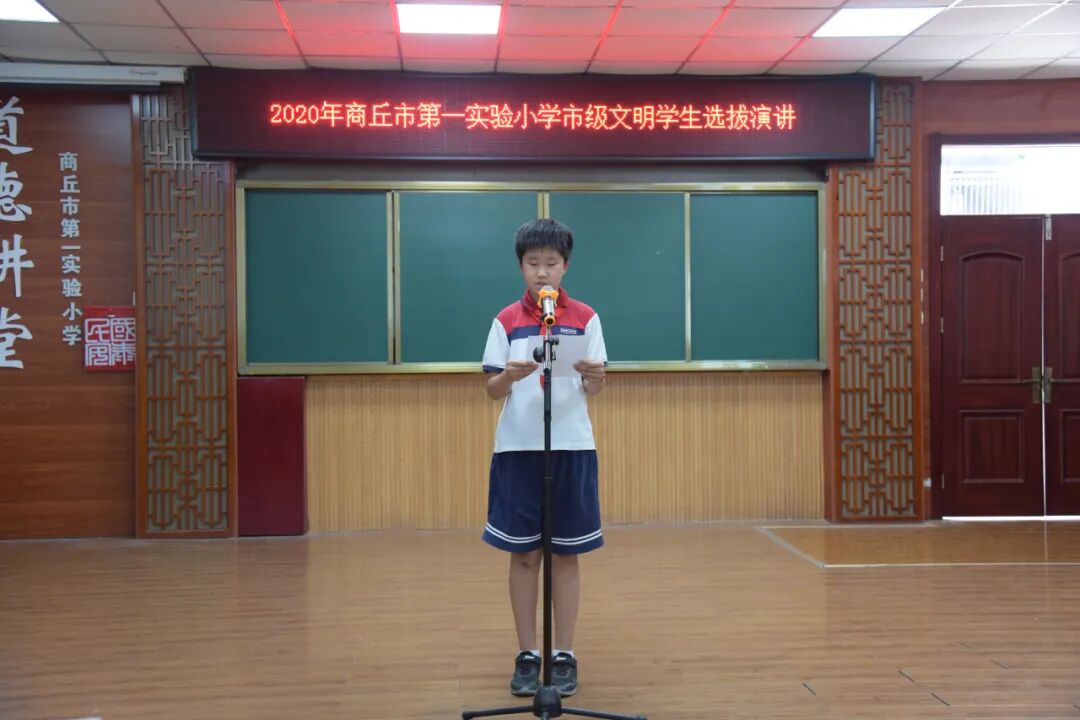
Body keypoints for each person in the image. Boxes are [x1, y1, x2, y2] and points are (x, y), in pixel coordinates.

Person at [481, 218, 608, 698]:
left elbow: (595, 387)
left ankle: (564, 654)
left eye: (551, 263)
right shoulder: (506, 320)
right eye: (533, 263)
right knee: (524, 556)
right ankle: (528, 653)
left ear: (565, 267)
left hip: (571, 447)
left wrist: (596, 376)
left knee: (566, 555)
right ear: (521, 266)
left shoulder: (586, 318)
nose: (542, 272)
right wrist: (509, 376)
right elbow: (492, 390)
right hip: (518, 449)